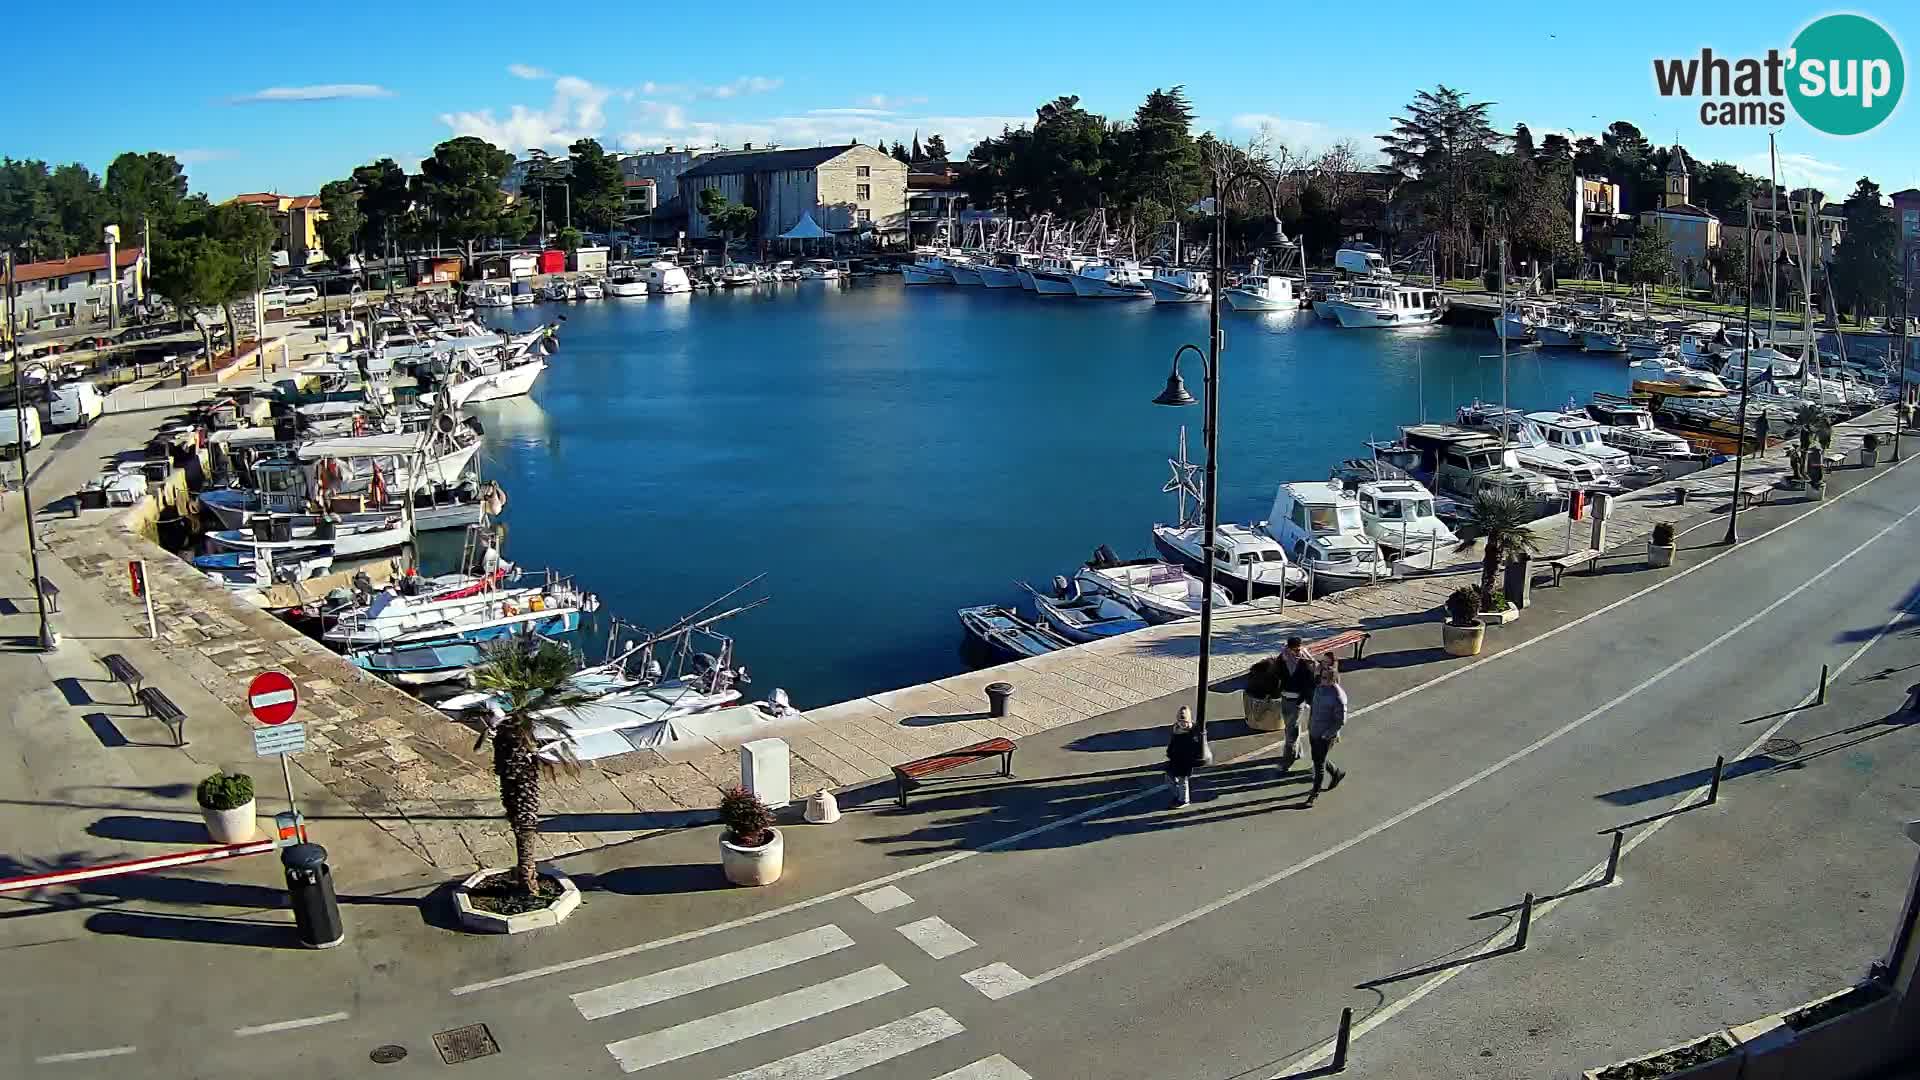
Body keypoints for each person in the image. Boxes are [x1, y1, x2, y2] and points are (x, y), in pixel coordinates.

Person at [1306, 658, 1349, 806]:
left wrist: (1327, 734)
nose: (1321, 679)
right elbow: (1314, 707)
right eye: (1321, 676)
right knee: (1318, 759)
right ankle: (1336, 772)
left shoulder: (1338, 697)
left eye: (1324, 677)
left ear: (1332, 679)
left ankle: (1314, 794)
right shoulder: (1319, 688)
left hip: (1324, 735)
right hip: (1314, 730)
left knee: (1318, 767)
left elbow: (1341, 721)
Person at [1277, 637, 1318, 772]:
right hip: (1285, 698)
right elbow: (1277, 675)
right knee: (1291, 726)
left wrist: (1306, 699)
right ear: (1289, 648)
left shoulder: (1305, 662)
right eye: (1295, 649)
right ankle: (1297, 753)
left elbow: (1309, 682)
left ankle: (1287, 762)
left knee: (1291, 731)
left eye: (1299, 649)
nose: (1298, 652)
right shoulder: (1282, 659)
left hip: (1297, 700)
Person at [1165, 705, 1205, 807]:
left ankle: (1183, 800)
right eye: (1180, 721)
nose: (1182, 724)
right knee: (1169, 778)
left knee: (1182, 781)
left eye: (1184, 722)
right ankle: (1179, 796)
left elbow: (1194, 749)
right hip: (1175, 759)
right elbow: (1173, 743)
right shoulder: (1176, 729)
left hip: (1184, 762)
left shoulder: (1192, 734)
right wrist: (1170, 752)